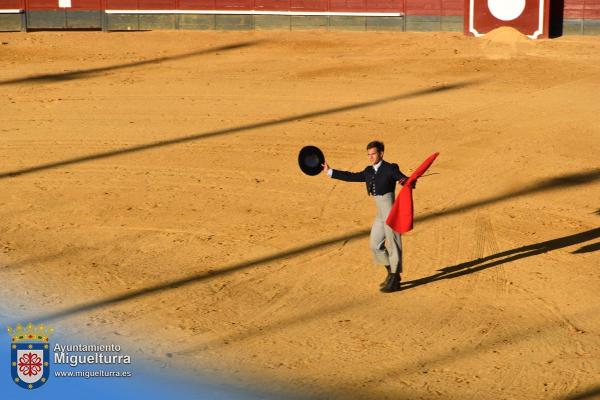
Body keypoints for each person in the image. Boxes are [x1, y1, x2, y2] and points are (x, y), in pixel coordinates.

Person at [322, 141, 412, 293]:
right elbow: (352, 176)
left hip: (391, 210)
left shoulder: (390, 168)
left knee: (394, 244)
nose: (370, 157)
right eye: (368, 154)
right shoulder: (369, 171)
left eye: (373, 154)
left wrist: (406, 181)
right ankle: (392, 274)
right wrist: (331, 172)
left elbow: (401, 178)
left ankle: (395, 277)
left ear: (381, 154)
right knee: (375, 244)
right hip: (380, 212)